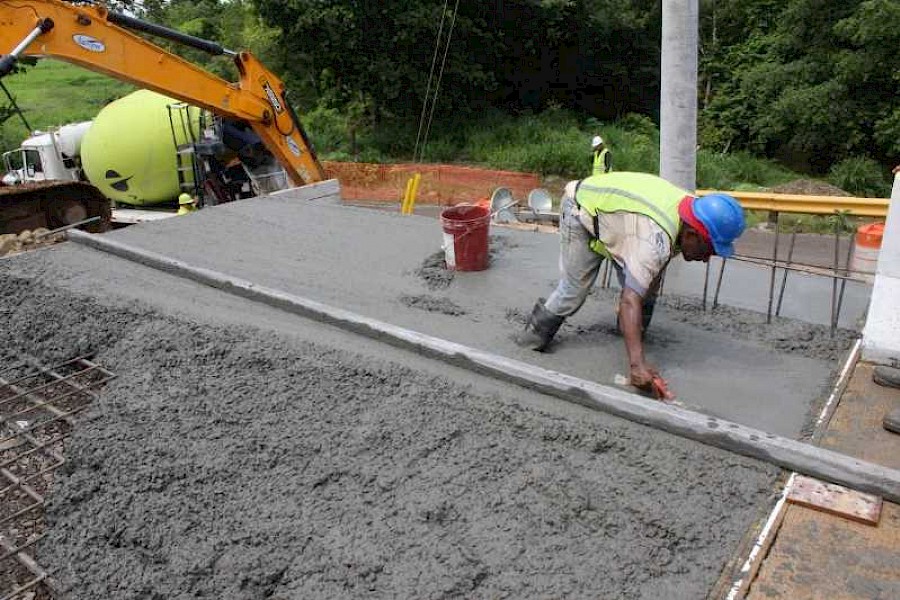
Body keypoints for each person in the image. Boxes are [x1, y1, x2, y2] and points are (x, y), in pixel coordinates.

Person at [515, 171, 746, 396]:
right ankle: (529, 342)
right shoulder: (653, 241)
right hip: (582, 208)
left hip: (621, 219)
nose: (706, 259)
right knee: (574, 290)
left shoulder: (693, 214)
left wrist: (642, 292)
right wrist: (637, 366)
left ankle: (630, 335)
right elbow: (630, 299)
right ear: (692, 235)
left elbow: (653, 272)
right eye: (708, 250)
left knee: (645, 288)